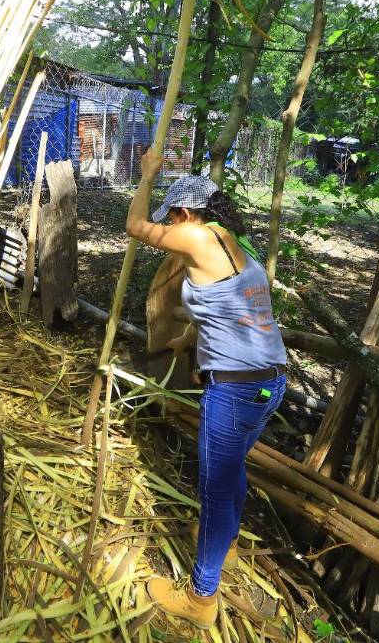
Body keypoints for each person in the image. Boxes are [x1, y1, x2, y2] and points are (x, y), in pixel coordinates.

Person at [125, 149, 288, 630]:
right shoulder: (235, 246)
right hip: (268, 383)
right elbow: (231, 308)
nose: (171, 229)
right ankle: (227, 544)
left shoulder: (195, 235)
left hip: (236, 389)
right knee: (231, 470)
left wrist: (149, 176)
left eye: (171, 219)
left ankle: (200, 597)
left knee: (214, 488)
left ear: (186, 214)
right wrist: (187, 338)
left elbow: (135, 225)